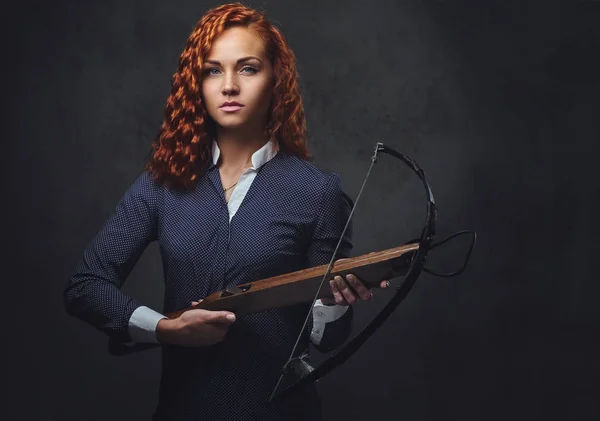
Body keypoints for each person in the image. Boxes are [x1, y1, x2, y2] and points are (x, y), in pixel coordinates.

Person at [64, 3, 388, 420]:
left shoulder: (317, 190)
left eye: (248, 68)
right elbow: (86, 286)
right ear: (195, 83)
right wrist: (166, 329)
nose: (229, 85)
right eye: (213, 70)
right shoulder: (163, 183)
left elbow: (328, 338)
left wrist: (335, 302)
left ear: (276, 79)